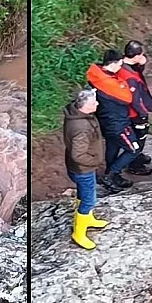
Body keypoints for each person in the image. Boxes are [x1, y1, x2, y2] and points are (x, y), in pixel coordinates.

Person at [86, 49, 140, 191]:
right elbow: (127, 97)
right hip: (117, 123)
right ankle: (110, 175)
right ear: (114, 64)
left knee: (113, 147)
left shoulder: (97, 76)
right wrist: (123, 84)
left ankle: (113, 176)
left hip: (106, 121)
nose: (121, 68)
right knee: (134, 149)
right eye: (120, 64)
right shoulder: (108, 83)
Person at [63, 88, 108, 250]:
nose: (97, 103)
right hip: (83, 169)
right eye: (94, 102)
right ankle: (79, 233)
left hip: (79, 168)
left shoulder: (77, 115)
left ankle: (87, 219)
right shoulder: (81, 128)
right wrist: (95, 161)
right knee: (89, 199)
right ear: (85, 106)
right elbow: (78, 154)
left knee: (83, 194)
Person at [117, 40, 152, 176]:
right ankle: (135, 165)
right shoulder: (130, 78)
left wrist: (141, 65)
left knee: (134, 135)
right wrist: (143, 114)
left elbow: (135, 72)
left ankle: (137, 156)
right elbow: (135, 100)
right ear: (137, 56)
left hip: (125, 111)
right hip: (134, 113)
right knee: (140, 136)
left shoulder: (121, 65)